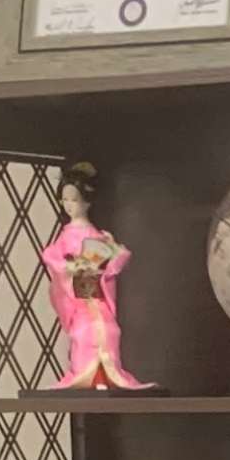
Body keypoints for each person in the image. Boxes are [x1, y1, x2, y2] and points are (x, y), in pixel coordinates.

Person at [37, 164, 152, 390]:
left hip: (96, 293)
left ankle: (106, 376)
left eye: (75, 199)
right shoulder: (66, 236)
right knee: (84, 332)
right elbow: (51, 255)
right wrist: (69, 267)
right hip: (78, 297)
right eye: (66, 200)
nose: (70, 205)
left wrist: (107, 256)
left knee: (108, 331)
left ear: (87, 201)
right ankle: (87, 376)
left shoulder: (97, 235)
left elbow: (118, 257)